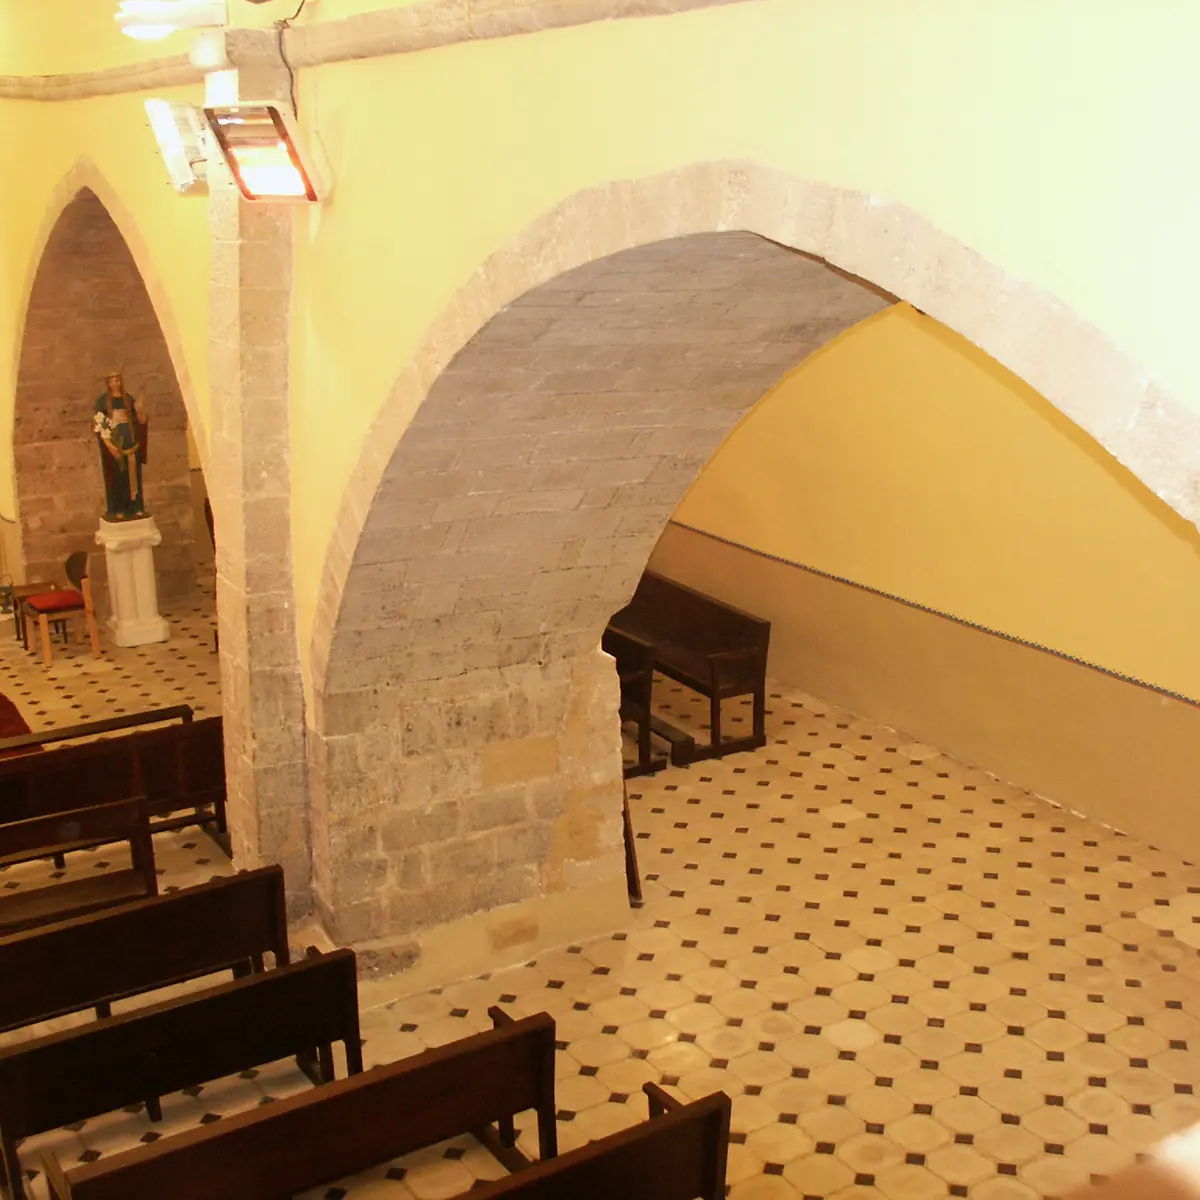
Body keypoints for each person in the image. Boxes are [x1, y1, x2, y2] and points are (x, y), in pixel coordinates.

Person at [93, 371, 149, 520]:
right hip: (114, 446)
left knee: (133, 477)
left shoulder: (128, 399)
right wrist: (110, 445)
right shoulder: (103, 401)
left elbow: (139, 420)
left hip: (130, 445)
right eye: (112, 381)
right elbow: (99, 425)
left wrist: (140, 410)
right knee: (117, 477)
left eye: (117, 380)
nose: (115, 383)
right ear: (108, 383)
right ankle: (118, 508)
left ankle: (135, 507)